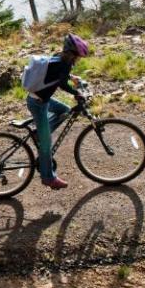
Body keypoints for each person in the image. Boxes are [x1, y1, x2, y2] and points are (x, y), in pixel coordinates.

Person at [26, 34, 90, 190]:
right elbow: (62, 84)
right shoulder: (65, 63)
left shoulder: (59, 57)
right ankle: (48, 177)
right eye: (77, 56)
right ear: (71, 53)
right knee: (46, 145)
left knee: (65, 110)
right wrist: (76, 93)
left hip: (40, 99)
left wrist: (72, 78)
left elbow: (59, 74)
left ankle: (38, 133)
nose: (78, 59)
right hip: (38, 104)